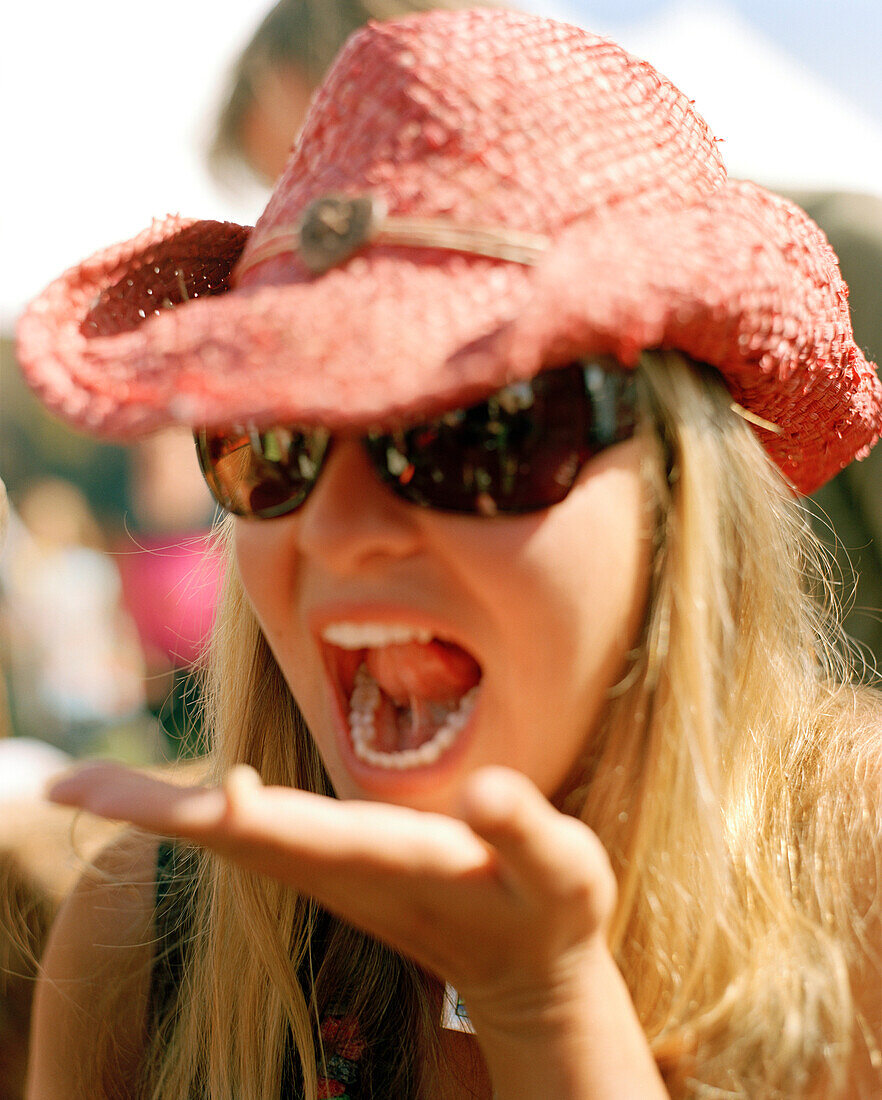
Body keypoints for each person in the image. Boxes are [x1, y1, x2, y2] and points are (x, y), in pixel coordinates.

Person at [15, 9, 882, 1098]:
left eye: (479, 426)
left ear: (676, 485)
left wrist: (541, 1002)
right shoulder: (137, 941)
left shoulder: (861, 875)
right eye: (273, 442)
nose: (331, 526)